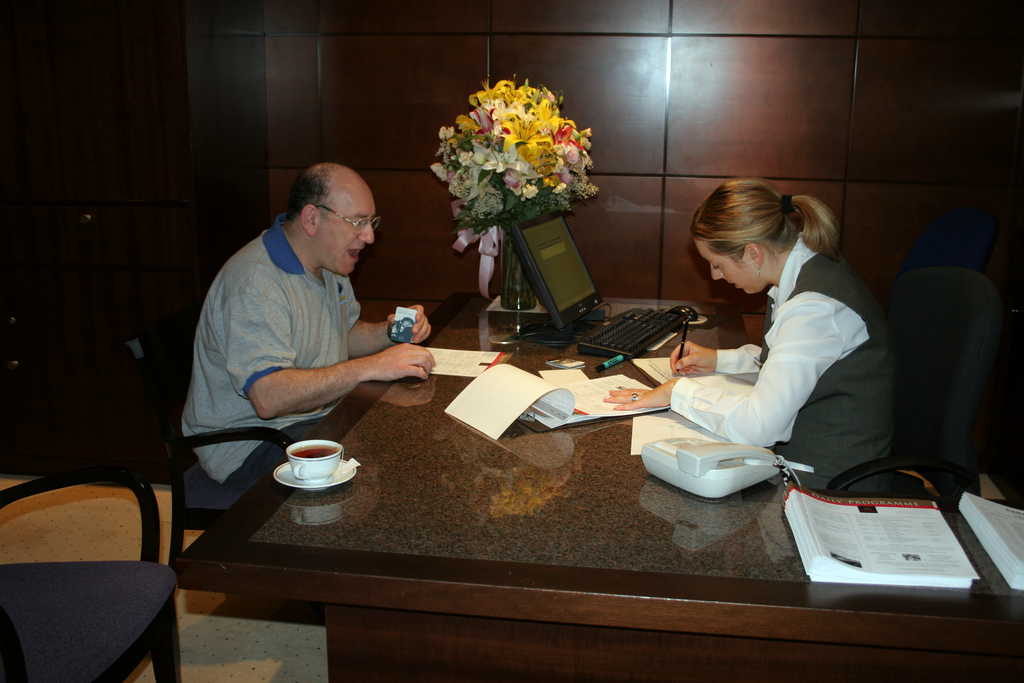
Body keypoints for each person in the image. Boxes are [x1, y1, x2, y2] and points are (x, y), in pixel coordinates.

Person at [606, 178, 894, 488]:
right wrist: (719, 360)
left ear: (753, 253)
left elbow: (759, 427)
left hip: (828, 486)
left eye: (718, 264)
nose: (716, 276)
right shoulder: (807, 268)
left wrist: (676, 391)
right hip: (816, 463)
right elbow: (796, 362)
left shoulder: (814, 310)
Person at [183, 162, 435, 492]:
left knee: (405, 446)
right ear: (312, 219)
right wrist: (371, 367)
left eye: (371, 222)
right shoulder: (255, 283)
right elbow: (268, 397)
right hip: (251, 444)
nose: (369, 236)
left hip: (310, 421)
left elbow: (341, 337)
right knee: (385, 477)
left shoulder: (327, 265)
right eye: (358, 222)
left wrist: (391, 333)